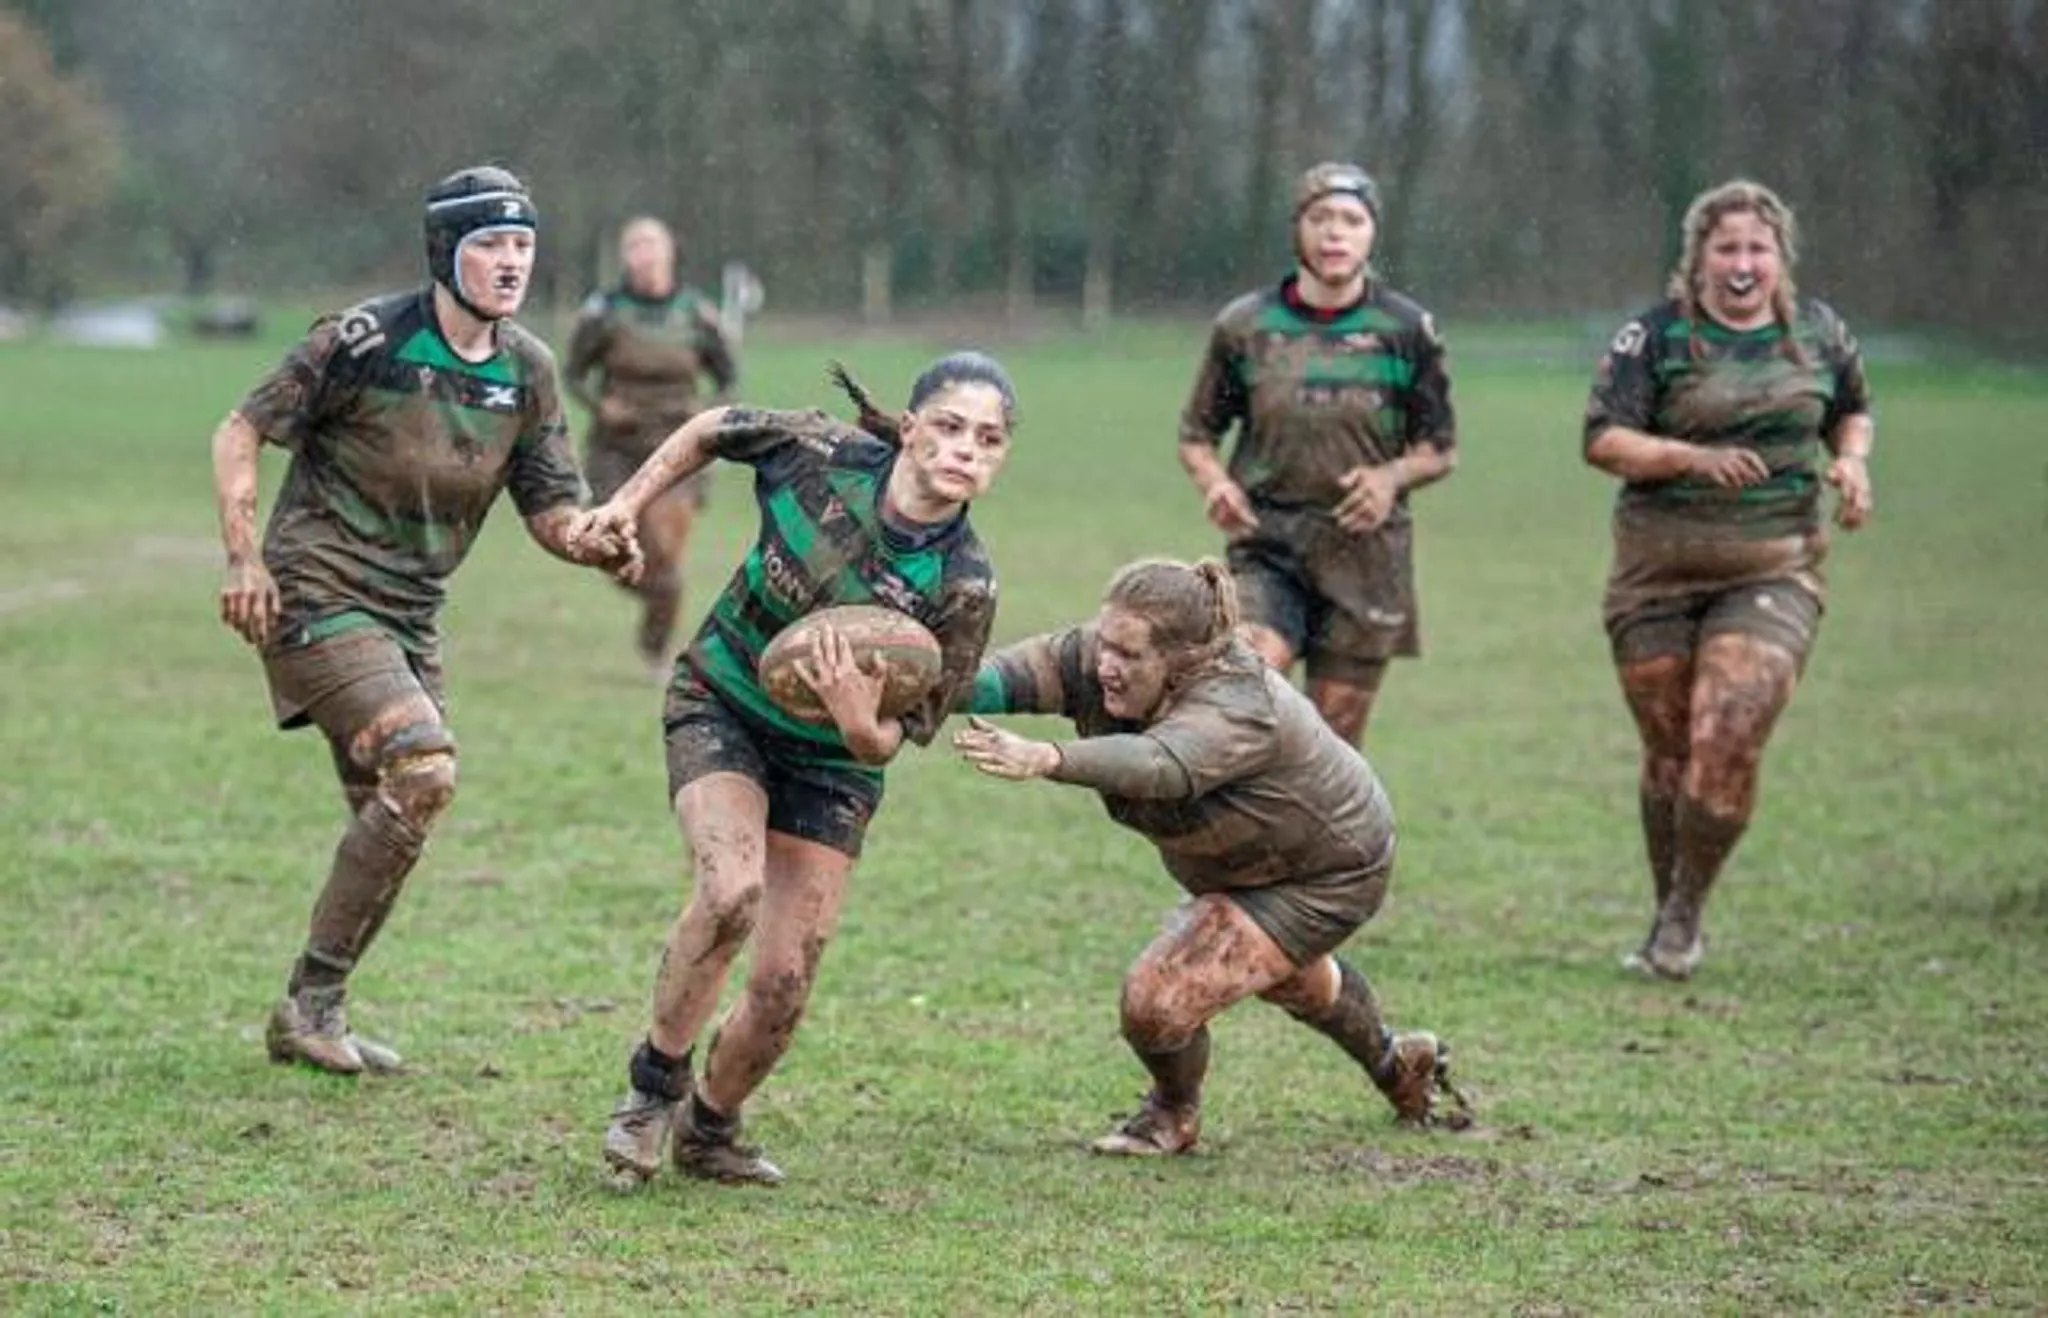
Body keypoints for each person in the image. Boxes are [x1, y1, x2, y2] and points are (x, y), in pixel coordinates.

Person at [210, 165, 641, 1075]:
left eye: (523, 244)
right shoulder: (365, 339)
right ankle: (310, 1004)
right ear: (446, 251)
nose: (511, 262)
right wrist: (244, 556)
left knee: (395, 812)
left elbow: (552, 508)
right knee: (425, 767)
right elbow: (241, 428)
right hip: (316, 590)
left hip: (411, 613)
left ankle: (311, 1013)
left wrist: (594, 540)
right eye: (490, 244)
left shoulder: (529, 370)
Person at [574, 353, 1015, 1186]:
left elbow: (896, 739)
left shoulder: (965, 583)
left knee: (783, 984)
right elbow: (713, 427)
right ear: (911, 427)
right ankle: (649, 1093)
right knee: (729, 891)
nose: (966, 451)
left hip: (832, 763)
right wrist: (627, 504)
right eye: (951, 428)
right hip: (724, 699)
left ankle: (709, 1130)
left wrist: (858, 721)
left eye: (988, 441)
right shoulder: (823, 458)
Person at [952, 558, 1465, 1157]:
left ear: (1182, 660)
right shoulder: (1098, 659)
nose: (1103, 664)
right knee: (1295, 983)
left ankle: (1172, 1113)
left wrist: (1049, 758)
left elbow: (1160, 765)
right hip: (1240, 866)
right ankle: (1398, 1066)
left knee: (1157, 1000)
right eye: (1103, 642)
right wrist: (905, 682)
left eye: (1127, 654)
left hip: (1325, 873)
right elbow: (995, 678)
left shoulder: (1238, 704)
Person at [1583, 179, 1874, 981]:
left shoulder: (1818, 334)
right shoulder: (1656, 336)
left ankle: (1683, 917)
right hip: (1655, 576)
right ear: (1699, 258)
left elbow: (1852, 406)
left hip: (1775, 566)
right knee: (1670, 752)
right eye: (1727, 248)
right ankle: (1668, 900)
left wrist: (1851, 461)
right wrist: (1690, 457)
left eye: (1757, 248)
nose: (1743, 263)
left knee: (1727, 735)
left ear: (1780, 258)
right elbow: (1602, 439)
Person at [1176, 162, 1457, 745]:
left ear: (1371, 233)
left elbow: (1439, 448)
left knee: (1331, 747)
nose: (1335, 233)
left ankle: (1303, 837)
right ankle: (1238, 834)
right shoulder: (1246, 325)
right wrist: (1215, 484)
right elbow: (1196, 434)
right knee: (1247, 688)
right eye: (1320, 218)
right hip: (1267, 541)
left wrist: (1389, 478)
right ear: (1297, 229)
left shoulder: (1406, 329)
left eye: (1351, 220)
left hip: (1365, 554)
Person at [564, 217, 739, 674]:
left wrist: (705, 412)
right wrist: (601, 406)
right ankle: (656, 603)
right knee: (612, 543)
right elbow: (573, 373)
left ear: (669, 253)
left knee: (664, 556)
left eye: (650, 244)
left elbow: (728, 378)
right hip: (615, 448)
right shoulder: (604, 310)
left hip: (680, 450)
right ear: (624, 256)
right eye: (633, 245)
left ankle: (655, 646)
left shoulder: (697, 313)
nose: (642, 253)